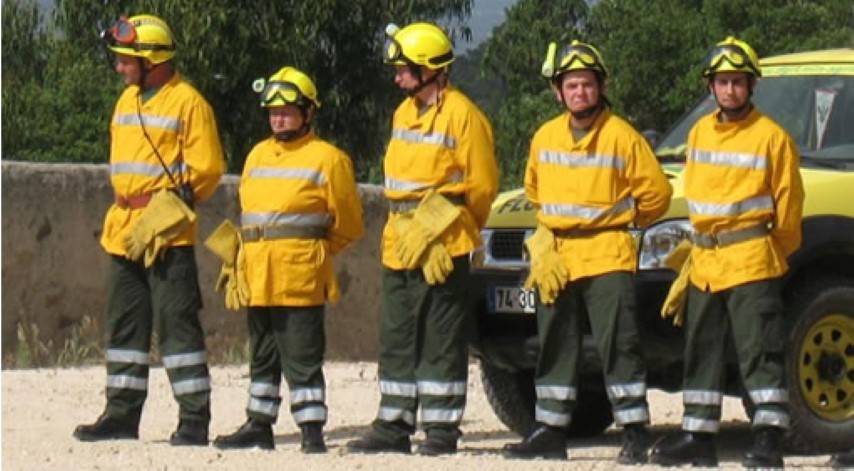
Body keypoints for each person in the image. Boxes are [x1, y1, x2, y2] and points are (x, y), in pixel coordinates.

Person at [502, 40, 671, 463]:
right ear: (559, 91)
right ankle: (551, 431)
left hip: (607, 252)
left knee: (619, 344)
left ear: (601, 87)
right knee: (555, 343)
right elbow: (535, 191)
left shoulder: (621, 136)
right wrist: (546, 242)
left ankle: (634, 430)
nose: (580, 92)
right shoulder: (545, 136)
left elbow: (657, 196)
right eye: (572, 85)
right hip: (557, 256)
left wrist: (624, 221)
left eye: (587, 85)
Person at [649, 37, 804, 468]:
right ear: (711, 86)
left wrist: (768, 253)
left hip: (752, 260)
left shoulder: (771, 138)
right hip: (705, 263)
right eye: (722, 82)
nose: (730, 90)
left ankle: (769, 439)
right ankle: (698, 437)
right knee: (701, 350)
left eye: (737, 81)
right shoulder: (699, 133)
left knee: (761, 352)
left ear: (751, 85)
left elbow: (789, 214)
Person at [346, 22, 498, 456]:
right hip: (401, 239)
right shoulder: (403, 113)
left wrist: (449, 229)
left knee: (440, 335)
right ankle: (393, 424)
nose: (397, 77)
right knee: (396, 333)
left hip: (442, 244)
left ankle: (441, 429)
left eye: (404, 69)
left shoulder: (464, 115)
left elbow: (482, 188)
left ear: (430, 69)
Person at [73, 14, 225, 446]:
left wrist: (168, 208)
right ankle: (121, 413)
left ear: (151, 60)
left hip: (166, 233)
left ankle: (194, 418)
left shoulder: (188, 103)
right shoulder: (127, 102)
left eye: (125, 60)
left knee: (177, 325)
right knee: (125, 326)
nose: (119, 68)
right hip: (123, 228)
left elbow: (208, 169)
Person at [208, 66, 364, 453]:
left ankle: (311, 429)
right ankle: (259, 423)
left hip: (300, 273)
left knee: (302, 353)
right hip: (257, 271)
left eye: (287, 111)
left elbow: (348, 223)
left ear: (308, 113)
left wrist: (312, 253)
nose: (278, 118)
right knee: (262, 353)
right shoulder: (258, 155)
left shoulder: (329, 159)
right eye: (273, 112)